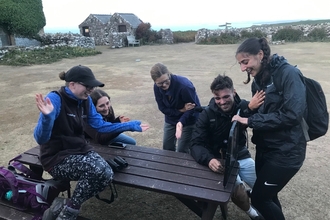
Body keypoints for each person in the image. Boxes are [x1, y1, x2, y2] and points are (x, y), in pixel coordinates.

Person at [34, 65, 149, 220]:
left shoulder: (86, 100)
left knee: (107, 173)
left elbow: (100, 125)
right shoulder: (55, 99)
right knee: (97, 169)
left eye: (92, 86)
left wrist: (129, 125)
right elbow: (41, 138)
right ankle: (68, 214)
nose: (91, 90)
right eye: (87, 86)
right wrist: (47, 118)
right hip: (56, 158)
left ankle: (65, 206)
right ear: (72, 84)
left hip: (79, 151)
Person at [233, 37, 307, 220]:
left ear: (260, 55)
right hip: (265, 149)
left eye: (245, 62)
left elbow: (292, 114)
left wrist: (251, 122)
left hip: (287, 152)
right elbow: (256, 112)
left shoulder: (288, 74)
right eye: (240, 64)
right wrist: (247, 110)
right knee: (269, 196)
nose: (243, 68)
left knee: (258, 198)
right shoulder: (258, 81)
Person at [190, 74, 265, 220]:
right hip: (220, 161)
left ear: (234, 92)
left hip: (240, 154)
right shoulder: (207, 114)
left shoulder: (243, 106)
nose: (222, 102)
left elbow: (266, 119)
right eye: (217, 98)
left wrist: (250, 110)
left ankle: (258, 199)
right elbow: (195, 144)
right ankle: (253, 214)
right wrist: (209, 159)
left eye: (226, 97)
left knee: (263, 186)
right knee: (236, 191)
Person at [150, 63, 201, 153]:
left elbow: (194, 108)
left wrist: (181, 122)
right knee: (167, 147)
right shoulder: (156, 88)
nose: (164, 85)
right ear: (155, 82)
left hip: (188, 121)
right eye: (160, 84)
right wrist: (181, 110)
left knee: (182, 150)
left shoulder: (185, 86)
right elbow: (162, 108)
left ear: (169, 74)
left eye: (166, 81)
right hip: (171, 119)